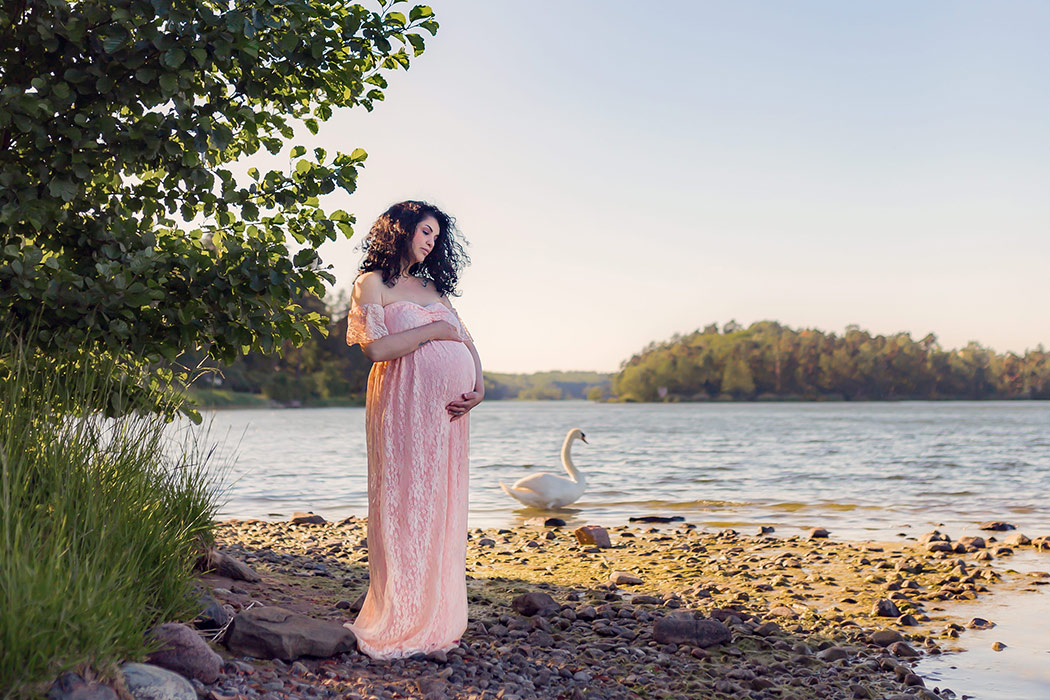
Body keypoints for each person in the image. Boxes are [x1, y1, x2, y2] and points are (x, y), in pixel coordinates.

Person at [342, 200, 483, 659]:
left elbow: (465, 340)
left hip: (446, 416)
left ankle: (438, 614)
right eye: (426, 231)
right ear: (400, 230)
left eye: (437, 236)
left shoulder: (431, 287)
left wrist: (478, 385)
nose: (431, 241)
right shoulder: (373, 283)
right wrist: (432, 332)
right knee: (404, 502)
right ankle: (400, 614)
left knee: (439, 503)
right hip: (402, 406)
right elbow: (377, 349)